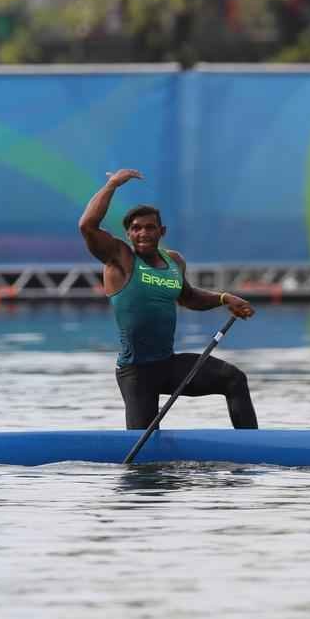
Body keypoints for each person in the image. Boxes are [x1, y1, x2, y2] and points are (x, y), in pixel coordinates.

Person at [79, 168, 258, 430]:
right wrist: (113, 185)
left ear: (161, 231)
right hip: (136, 373)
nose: (143, 233)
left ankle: (251, 447)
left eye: (150, 228)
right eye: (136, 229)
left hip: (168, 364)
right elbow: (87, 225)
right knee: (146, 459)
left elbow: (188, 297)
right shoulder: (120, 258)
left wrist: (223, 298)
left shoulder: (173, 261)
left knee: (234, 379)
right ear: (128, 234)